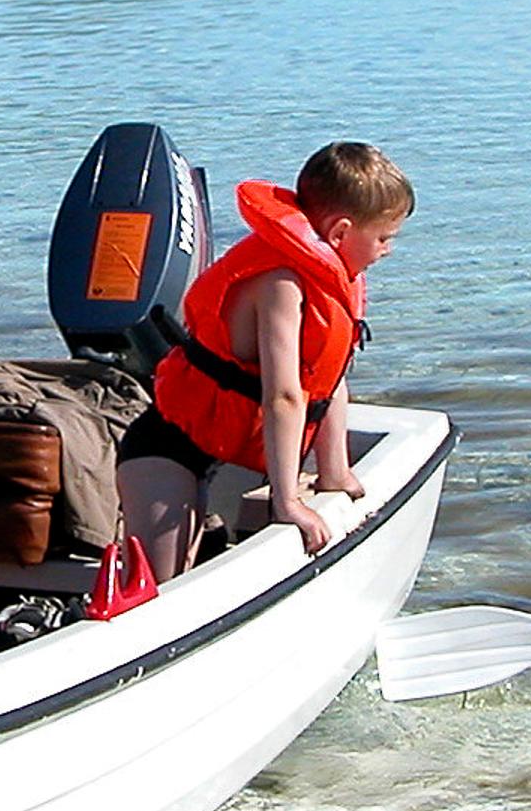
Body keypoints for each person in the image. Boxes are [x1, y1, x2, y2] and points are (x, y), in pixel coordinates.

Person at [113, 141, 412, 586]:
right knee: (159, 588)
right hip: (166, 451)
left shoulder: (333, 280)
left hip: (222, 445)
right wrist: (287, 501)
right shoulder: (281, 285)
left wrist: (335, 474)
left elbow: (328, 383)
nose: (388, 249)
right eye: (384, 238)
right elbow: (285, 397)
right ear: (340, 232)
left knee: (186, 570)